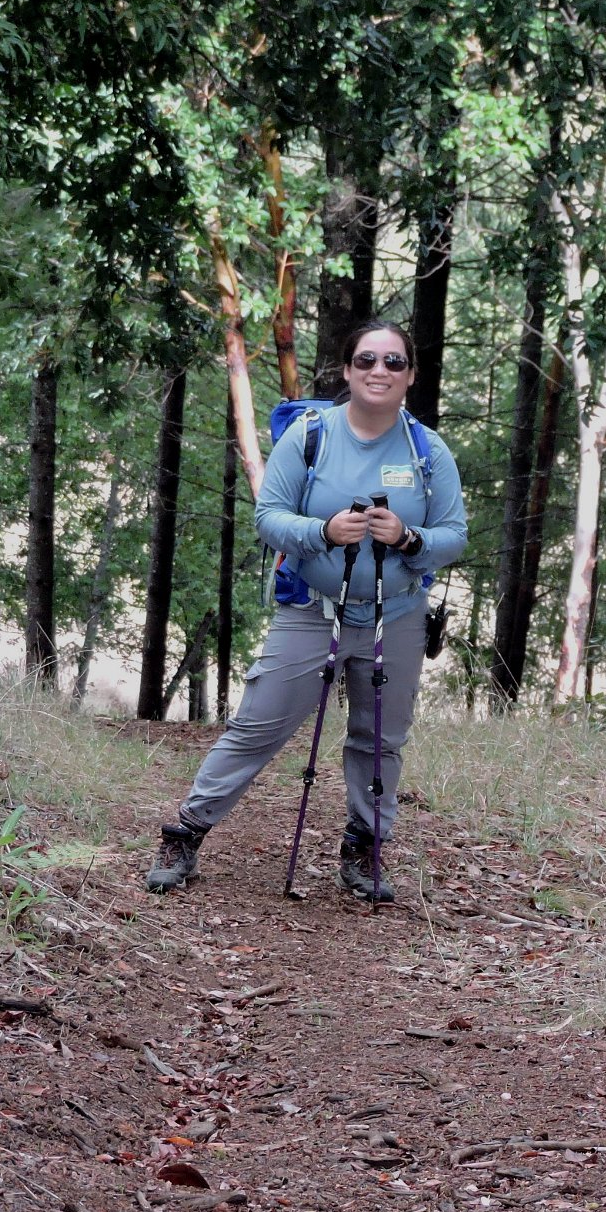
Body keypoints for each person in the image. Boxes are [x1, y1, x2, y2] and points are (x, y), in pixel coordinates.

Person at [146, 320, 468, 902]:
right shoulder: (310, 437)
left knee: (380, 738)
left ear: (410, 375)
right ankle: (185, 833)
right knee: (258, 725)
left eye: (394, 362)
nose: (379, 370)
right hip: (313, 611)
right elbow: (269, 517)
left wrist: (408, 537)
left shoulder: (428, 451)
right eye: (366, 359)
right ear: (347, 370)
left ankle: (364, 848)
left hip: (397, 615)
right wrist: (323, 532)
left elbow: (454, 534)